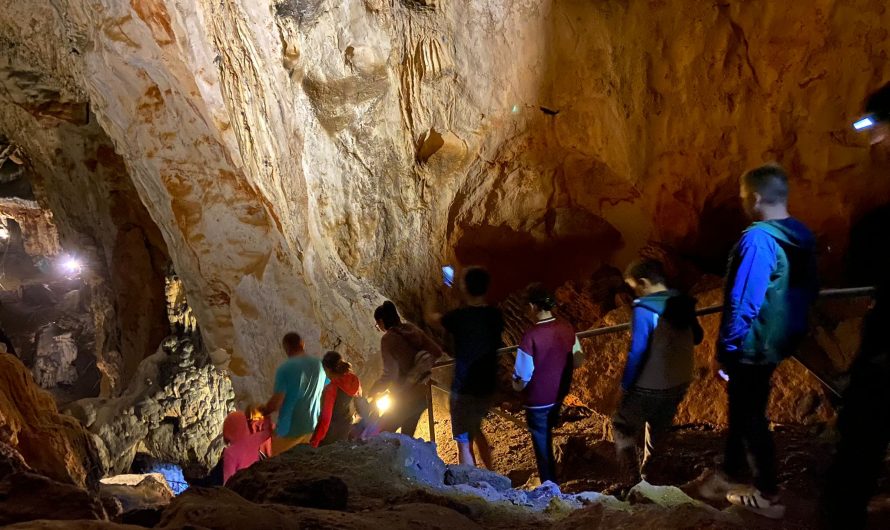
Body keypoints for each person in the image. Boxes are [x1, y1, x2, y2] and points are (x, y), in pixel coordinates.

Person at [699, 164, 818, 519]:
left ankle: (767, 495)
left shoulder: (759, 239)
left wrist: (727, 349)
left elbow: (744, 300)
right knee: (743, 407)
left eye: (741, 197)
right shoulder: (801, 235)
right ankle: (729, 473)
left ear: (754, 197)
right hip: (778, 340)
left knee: (750, 416)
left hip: (753, 343)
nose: (741, 203)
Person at [822, 82, 890, 530]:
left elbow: (858, 280)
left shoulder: (878, 220)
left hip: (886, 350)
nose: (875, 143)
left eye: (880, 131)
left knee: (862, 435)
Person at [612, 259, 703, 484]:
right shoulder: (682, 301)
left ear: (643, 282)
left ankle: (631, 481)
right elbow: (698, 337)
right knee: (657, 426)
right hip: (680, 382)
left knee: (621, 424)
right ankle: (650, 475)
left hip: (652, 384)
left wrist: (624, 386)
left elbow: (638, 352)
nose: (634, 293)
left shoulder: (645, 308)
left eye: (634, 287)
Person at [431, 267, 504, 468]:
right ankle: (492, 473)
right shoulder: (494, 315)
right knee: (476, 429)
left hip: (464, 386)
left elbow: (433, 317)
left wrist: (442, 290)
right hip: (487, 384)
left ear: (464, 287)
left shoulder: (459, 317)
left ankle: (470, 486)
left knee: (463, 440)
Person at [512, 283, 581, 485]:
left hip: (538, 400)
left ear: (533, 306)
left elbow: (522, 377)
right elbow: (578, 359)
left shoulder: (531, 336)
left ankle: (549, 484)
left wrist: (515, 386)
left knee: (542, 444)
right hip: (559, 394)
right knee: (549, 432)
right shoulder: (567, 327)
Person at [368, 301, 444, 437]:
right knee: (407, 438)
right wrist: (421, 365)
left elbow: (390, 374)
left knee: (379, 434)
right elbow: (437, 351)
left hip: (404, 396)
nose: (378, 327)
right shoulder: (411, 329)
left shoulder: (388, 339)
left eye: (377, 324)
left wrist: (375, 389)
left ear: (381, 321)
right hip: (422, 394)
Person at [261, 332, 326, 455]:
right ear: (302, 343)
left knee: (278, 466)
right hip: (310, 426)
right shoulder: (319, 365)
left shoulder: (285, 368)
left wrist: (263, 411)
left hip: (289, 429)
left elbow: (276, 403)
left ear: (286, 348)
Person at [310, 351, 362, 447]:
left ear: (328, 369)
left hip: (330, 437)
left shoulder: (331, 389)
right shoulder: (355, 380)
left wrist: (315, 441)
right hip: (347, 433)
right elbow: (358, 405)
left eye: (325, 371)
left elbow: (325, 420)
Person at [221, 410, 273, 484]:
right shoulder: (253, 440)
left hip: (241, 484)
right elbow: (268, 432)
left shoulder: (229, 453)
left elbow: (228, 479)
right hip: (256, 479)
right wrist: (267, 413)